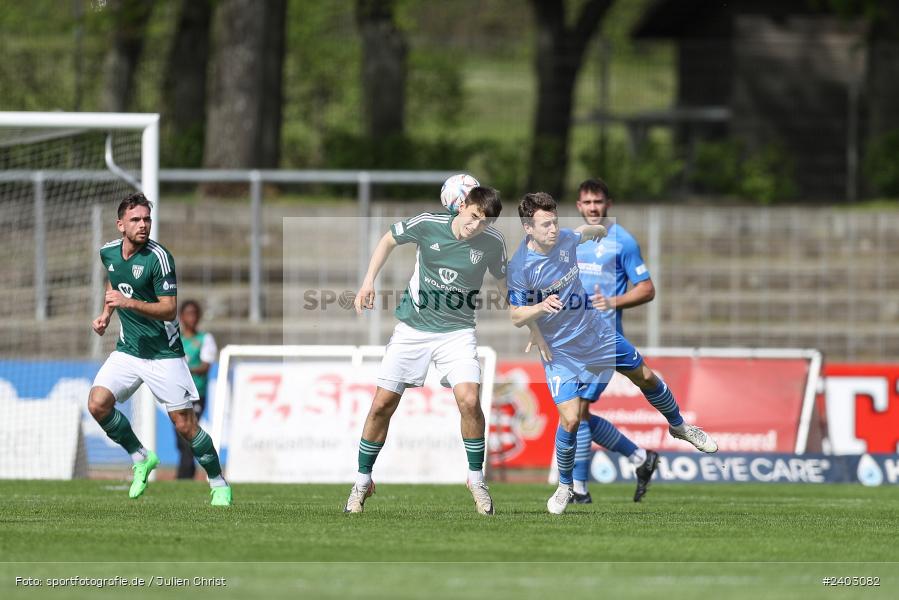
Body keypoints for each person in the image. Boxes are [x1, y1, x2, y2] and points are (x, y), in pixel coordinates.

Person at [508, 192, 716, 515]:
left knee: (645, 376)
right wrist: (538, 309)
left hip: (597, 333)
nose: (553, 228)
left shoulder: (566, 237)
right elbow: (515, 315)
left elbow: (586, 233)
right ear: (527, 228)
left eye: (554, 221)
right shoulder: (521, 267)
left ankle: (679, 426)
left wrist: (599, 232)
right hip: (561, 350)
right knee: (572, 418)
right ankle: (565, 486)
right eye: (545, 224)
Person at [345, 186, 518, 516]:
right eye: (474, 217)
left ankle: (475, 478)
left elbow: (506, 288)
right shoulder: (429, 223)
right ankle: (362, 480)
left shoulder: (493, 243)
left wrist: (530, 316)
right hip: (413, 329)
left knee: (469, 400)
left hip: (458, 333)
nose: (476, 226)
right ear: (462, 206)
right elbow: (388, 239)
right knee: (382, 405)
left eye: (485, 222)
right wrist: (368, 281)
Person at [88, 192, 232, 506]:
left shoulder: (159, 257)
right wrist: (106, 314)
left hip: (164, 355)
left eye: (147, 219)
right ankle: (141, 456)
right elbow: (114, 284)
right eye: (136, 220)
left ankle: (218, 482)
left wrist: (128, 303)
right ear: (120, 225)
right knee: (97, 404)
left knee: (185, 425)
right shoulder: (108, 253)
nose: (143, 225)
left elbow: (168, 310)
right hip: (128, 350)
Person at [570, 178, 658, 503]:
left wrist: (613, 302)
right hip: (572, 339)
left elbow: (647, 289)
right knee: (576, 413)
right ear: (578, 206)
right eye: (587, 203)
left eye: (598, 202)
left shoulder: (623, 241)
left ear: (608, 204)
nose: (593, 208)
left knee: (576, 410)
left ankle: (578, 490)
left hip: (604, 341)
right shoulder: (573, 241)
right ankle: (639, 458)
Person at [175, 300, 218, 480]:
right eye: (187, 313)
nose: (191, 317)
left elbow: (205, 366)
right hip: (177, 393)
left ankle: (184, 477)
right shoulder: (176, 339)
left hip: (197, 394)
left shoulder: (205, 339)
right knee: (180, 437)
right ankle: (187, 474)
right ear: (181, 316)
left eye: (194, 313)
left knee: (188, 434)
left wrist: (183, 368)